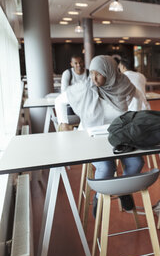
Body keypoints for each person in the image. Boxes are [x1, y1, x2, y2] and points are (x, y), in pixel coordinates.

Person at [55, 55, 149, 215]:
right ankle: (99, 196)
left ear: (110, 72)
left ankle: (123, 191)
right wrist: (63, 122)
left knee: (136, 163)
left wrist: (134, 116)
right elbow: (59, 100)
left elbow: (139, 96)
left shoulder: (122, 83)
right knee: (107, 167)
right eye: (91, 73)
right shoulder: (86, 87)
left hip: (118, 135)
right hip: (92, 138)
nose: (93, 78)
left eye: (98, 73)